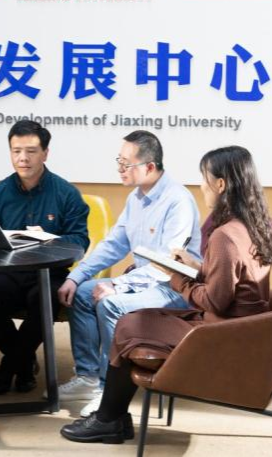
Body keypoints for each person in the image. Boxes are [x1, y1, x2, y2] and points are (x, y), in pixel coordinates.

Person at [60, 145, 272, 444]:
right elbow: (234, 280)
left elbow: (215, 301)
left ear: (220, 184)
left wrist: (177, 278)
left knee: (128, 326)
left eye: (204, 178)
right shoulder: (258, 224)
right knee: (131, 324)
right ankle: (111, 416)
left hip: (221, 332)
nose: (201, 186)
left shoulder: (224, 235)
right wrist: (197, 268)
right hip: (243, 327)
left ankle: (109, 418)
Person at [56, 130, 202, 417]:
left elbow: (167, 265)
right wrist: (76, 276)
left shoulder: (178, 201)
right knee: (83, 293)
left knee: (110, 303)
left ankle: (109, 390)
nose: (120, 169)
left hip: (173, 288)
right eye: (119, 161)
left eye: (126, 163)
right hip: (144, 282)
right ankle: (87, 377)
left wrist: (119, 285)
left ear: (149, 166)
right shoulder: (136, 198)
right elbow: (113, 245)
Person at [0, 120, 90, 395]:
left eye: (30, 151)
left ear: (45, 153)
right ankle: (25, 363)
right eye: (16, 151)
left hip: (49, 274)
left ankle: (8, 368)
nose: (23, 158)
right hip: (8, 273)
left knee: (45, 301)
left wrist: (51, 240)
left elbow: (80, 241)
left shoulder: (66, 194)